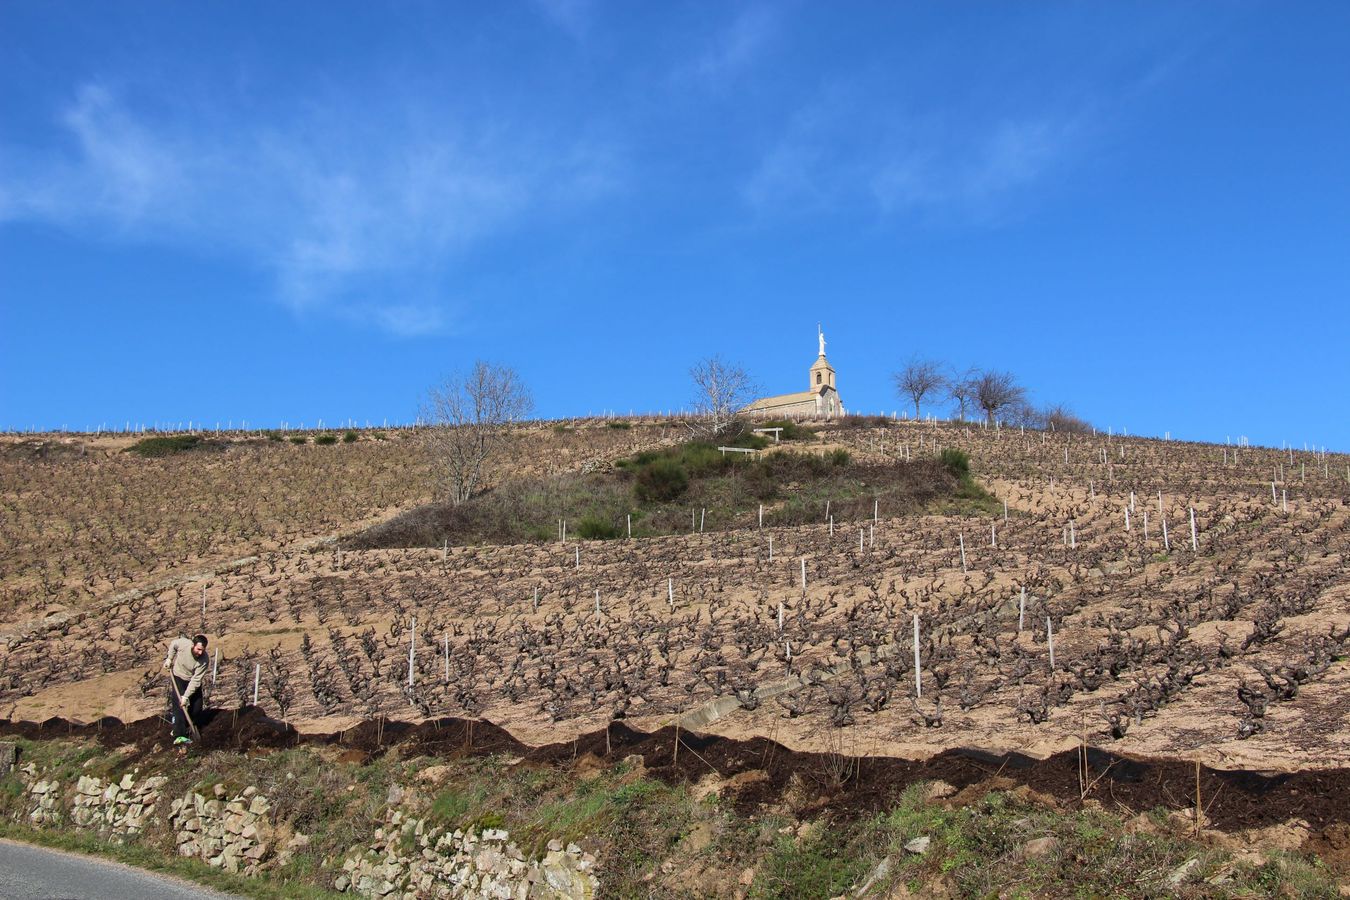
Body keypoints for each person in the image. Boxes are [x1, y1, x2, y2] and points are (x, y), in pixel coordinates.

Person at [163, 634, 209, 746]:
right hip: (178, 677)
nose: (200, 653)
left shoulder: (204, 660)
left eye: (202, 650)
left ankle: (186, 726)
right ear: (193, 645)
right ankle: (179, 735)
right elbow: (174, 644)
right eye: (198, 649)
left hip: (192, 681)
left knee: (197, 708)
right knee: (179, 707)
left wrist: (186, 696)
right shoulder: (184, 644)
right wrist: (169, 658)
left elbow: (196, 680)